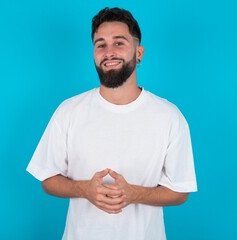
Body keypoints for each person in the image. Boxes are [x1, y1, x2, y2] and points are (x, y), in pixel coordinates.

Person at [27, 7, 197, 240]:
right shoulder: (69, 111)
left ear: (139, 53)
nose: (109, 52)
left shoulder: (168, 116)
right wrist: (84, 190)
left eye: (119, 43)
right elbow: (48, 178)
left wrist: (134, 194)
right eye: (101, 44)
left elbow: (180, 190)